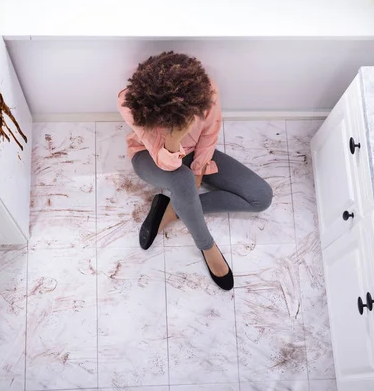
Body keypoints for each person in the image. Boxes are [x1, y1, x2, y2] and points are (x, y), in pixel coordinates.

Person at [117, 51, 273, 291]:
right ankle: (207, 245)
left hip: (192, 152)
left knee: (261, 197)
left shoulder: (206, 90)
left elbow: (209, 133)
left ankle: (171, 211)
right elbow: (165, 163)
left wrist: (199, 169)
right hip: (151, 157)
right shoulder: (130, 102)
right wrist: (174, 137)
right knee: (182, 178)